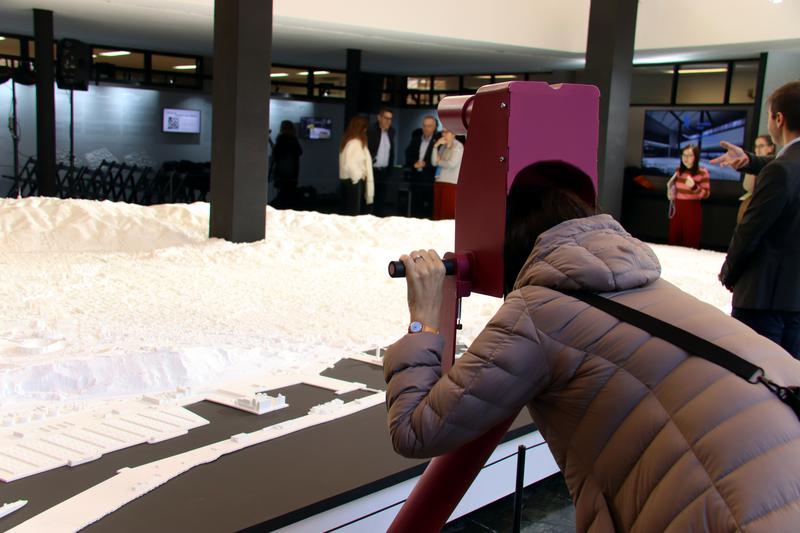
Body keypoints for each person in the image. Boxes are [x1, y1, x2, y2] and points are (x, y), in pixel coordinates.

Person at [384, 164, 800, 531]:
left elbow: (415, 429)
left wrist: (424, 318)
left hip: (729, 510)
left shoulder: (540, 311)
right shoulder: (647, 284)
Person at [714, 80, 800, 359]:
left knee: (754, 375)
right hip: (794, 301)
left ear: (779, 119)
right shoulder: (783, 168)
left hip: (763, 300)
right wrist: (750, 160)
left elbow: (750, 231)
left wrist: (729, 272)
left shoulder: (780, 171)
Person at [666, 144, 710, 248]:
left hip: (692, 209)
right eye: (684, 155)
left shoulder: (702, 172)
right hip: (677, 208)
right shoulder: (679, 171)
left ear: (696, 157)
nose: (686, 158)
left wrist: (694, 187)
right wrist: (670, 191)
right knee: (674, 239)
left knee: (690, 239)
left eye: (690, 155)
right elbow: (675, 190)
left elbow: (706, 194)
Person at [404, 115, 441, 218]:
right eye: (424, 126)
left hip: (430, 181)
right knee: (415, 209)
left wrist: (426, 164)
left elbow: (439, 160)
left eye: (429, 126)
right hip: (416, 179)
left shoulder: (438, 141)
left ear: (435, 127)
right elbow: (407, 154)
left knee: (428, 210)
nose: (426, 128)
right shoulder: (416, 139)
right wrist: (414, 163)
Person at [339, 115, 374, 216]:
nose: (366, 131)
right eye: (365, 128)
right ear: (361, 128)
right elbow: (350, 165)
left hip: (351, 181)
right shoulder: (354, 143)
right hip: (354, 182)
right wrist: (358, 176)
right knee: (353, 212)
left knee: (350, 211)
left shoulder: (349, 142)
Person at [737, 135, 776, 223]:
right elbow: (748, 187)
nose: (758, 149)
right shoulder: (754, 163)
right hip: (752, 205)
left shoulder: (775, 165)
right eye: (756, 146)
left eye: (761, 146)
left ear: (771, 148)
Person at [367, 108, 396, 216]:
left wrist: (390, 169)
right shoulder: (371, 130)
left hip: (384, 171)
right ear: (379, 118)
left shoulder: (391, 131)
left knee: (381, 199)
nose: (388, 121)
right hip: (372, 170)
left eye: (390, 119)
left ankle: (379, 220)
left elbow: (391, 152)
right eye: (386, 118)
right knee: (369, 198)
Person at [430, 127, 463, 220]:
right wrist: (435, 146)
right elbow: (433, 162)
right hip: (439, 181)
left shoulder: (458, 146)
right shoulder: (443, 146)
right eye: (443, 132)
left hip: (450, 183)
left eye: (446, 132)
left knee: (447, 213)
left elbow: (451, 163)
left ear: (454, 134)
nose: (443, 134)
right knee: (438, 213)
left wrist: (439, 161)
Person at [271, 120, 303, 208]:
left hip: (282, 170)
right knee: (289, 193)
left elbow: (276, 155)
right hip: (292, 170)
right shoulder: (293, 139)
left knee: (283, 193)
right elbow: (300, 152)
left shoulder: (281, 139)